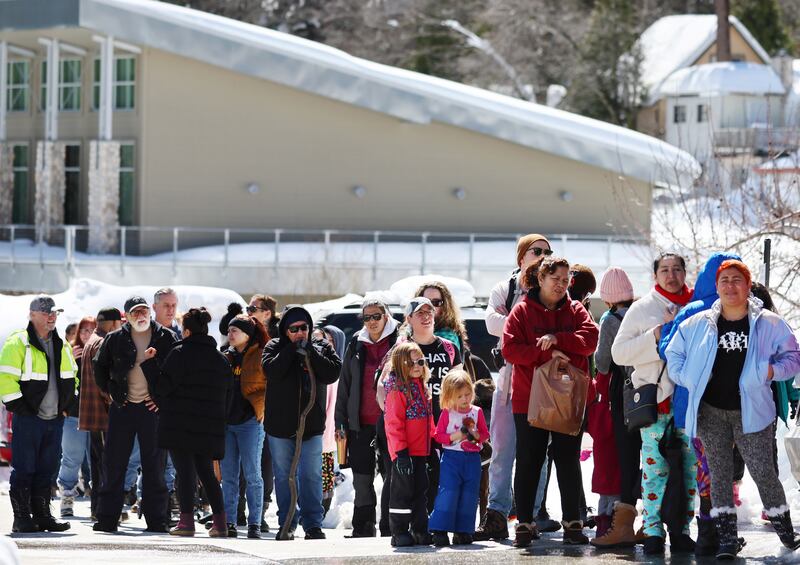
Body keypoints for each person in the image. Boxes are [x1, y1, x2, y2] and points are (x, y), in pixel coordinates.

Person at [666, 260, 800, 558]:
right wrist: (686, 376)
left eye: (736, 280)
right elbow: (673, 352)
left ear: (747, 285)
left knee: (764, 471)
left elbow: (793, 357)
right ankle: (727, 539)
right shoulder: (699, 323)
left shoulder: (768, 323)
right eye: (724, 280)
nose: (730, 285)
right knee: (719, 474)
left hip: (752, 412)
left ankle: (788, 535)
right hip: (711, 412)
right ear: (716, 287)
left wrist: (769, 372)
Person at [502, 256, 599, 547]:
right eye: (554, 279)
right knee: (530, 459)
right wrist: (545, 354)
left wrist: (557, 340)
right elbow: (510, 349)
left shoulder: (576, 309)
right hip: (528, 398)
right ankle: (524, 523)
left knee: (568, 459)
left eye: (565, 279)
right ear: (540, 280)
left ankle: (572, 523)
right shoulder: (521, 311)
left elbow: (590, 339)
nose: (560, 284)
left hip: (568, 398)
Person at [611, 253, 697, 555]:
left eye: (677, 269)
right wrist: (655, 337)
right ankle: (652, 532)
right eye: (665, 270)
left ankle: (682, 530)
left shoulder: (698, 306)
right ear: (655, 275)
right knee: (654, 471)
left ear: (685, 273)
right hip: (655, 401)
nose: (671, 275)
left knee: (689, 472)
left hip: (690, 403)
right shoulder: (642, 308)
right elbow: (618, 353)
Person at [655, 252, 740, 556]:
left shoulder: (690, 309)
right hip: (731, 406)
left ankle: (709, 535)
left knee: (707, 469)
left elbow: (666, 349)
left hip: (693, 406)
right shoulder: (742, 310)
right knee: (721, 469)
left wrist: (684, 374)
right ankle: (716, 533)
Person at [477, 233, 552, 541]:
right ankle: (496, 513)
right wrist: (522, 321)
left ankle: (531, 514)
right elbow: (490, 322)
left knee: (538, 452)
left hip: (544, 379)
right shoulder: (506, 289)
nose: (543, 255)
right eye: (537, 251)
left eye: (548, 251)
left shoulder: (554, 289)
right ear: (522, 257)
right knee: (502, 448)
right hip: (509, 379)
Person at [92, 296, 177, 533]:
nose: (141, 315)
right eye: (135, 312)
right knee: (114, 463)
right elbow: (99, 366)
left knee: (155, 467)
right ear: (127, 316)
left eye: (143, 310)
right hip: (123, 407)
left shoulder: (166, 337)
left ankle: (157, 520)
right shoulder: (114, 338)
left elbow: (176, 373)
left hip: (152, 410)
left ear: (149, 312)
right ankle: (107, 518)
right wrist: (110, 391)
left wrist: (160, 399)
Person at [262, 305, 341, 540]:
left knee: (311, 475)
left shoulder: (322, 347)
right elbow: (271, 371)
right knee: (284, 475)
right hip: (280, 427)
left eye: (303, 328)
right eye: (294, 329)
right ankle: (287, 522)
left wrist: (310, 352)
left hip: (312, 427)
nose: (299, 333)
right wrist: (290, 351)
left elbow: (332, 373)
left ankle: (313, 524)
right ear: (285, 330)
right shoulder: (273, 347)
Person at [0, 295, 77, 533]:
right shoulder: (18, 342)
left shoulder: (61, 343)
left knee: (47, 469)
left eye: (54, 313)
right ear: (32, 315)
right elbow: (5, 379)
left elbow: (72, 377)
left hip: (54, 418)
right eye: (46, 312)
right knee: (24, 468)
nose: (52, 317)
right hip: (29, 419)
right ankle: (22, 518)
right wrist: (23, 410)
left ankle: (43, 515)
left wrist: (66, 406)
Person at [157, 308, 232, 538]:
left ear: (187, 331)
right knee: (207, 474)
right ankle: (220, 524)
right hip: (209, 426)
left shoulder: (179, 354)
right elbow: (228, 396)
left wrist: (150, 364)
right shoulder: (220, 359)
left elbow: (161, 389)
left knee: (185, 473)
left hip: (180, 424)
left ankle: (186, 522)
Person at [335, 298, 399, 538]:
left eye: (376, 316)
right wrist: (341, 423)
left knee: (391, 476)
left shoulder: (400, 341)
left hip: (391, 423)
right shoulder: (355, 344)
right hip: (360, 424)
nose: (371, 322)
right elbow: (345, 387)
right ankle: (363, 526)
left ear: (386, 316)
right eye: (367, 317)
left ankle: (390, 527)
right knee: (361, 478)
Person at [590, 267, 642, 548]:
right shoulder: (642, 313)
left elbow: (604, 362)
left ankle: (619, 524)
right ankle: (652, 522)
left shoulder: (610, 319)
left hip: (622, 395)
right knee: (650, 458)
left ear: (608, 298)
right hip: (649, 393)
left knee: (625, 458)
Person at [383, 342, 435, 547]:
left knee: (421, 491)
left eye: (420, 361)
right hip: (404, 452)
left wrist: (433, 445)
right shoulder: (397, 389)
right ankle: (399, 531)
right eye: (410, 362)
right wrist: (401, 452)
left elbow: (428, 421)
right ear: (399, 364)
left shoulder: (422, 387)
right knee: (402, 493)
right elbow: (393, 423)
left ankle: (420, 529)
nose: (416, 366)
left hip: (421, 451)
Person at [221, 314, 268, 539]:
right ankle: (229, 521)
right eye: (229, 330)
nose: (230, 334)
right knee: (228, 476)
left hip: (250, 422)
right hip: (227, 422)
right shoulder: (225, 356)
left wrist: (261, 406)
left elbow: (270, 386)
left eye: (235, 331)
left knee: (252, 474)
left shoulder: (260, 354)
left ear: (247, 335)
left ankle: (254, 524)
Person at [429, 370, 489, 547]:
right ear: (449, 396)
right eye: (460, 396)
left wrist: (476, 435)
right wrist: (456, 435)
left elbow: (484, 434)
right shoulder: (448, 412)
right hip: (451, 458)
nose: (465, 399)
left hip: (472, 458)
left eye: (468, 394)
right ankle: (439, 529)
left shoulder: (477, 412)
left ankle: (463, 530)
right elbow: (438, 436)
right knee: (449, 492)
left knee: (470, 494)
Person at [79, 308, 122, 520]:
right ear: (113, 323)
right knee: (107, 465)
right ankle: (104, 510)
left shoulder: (91, 340)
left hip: (92, 414)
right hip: (103, 414)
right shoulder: (104, 342)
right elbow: (103, 381)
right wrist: (113, 399)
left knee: (98, 465)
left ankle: (97, 508)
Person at [58, 316, 96, 518]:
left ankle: (97, 502)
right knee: (72, 458)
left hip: (97, 416)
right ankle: (67, 496)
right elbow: (56, 379)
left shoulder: (102, 349)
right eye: (84, 330)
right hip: (73, 414)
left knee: (97, 460)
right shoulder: (68, 351)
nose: (87, 334)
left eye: (91, 330)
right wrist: (70, 360)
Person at [247, 293, 279, 527]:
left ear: (267, 313)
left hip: (272, 406)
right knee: (245, 459)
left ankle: (261, 510)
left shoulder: (278, 338)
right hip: (246, 404)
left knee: (265, 459)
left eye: (253, 308)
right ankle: (238, 508)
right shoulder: (246, 332)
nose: (249, 312)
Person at [317, 325, 346, 515]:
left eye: (329, 340)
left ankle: (324, 509)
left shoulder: (342, 371)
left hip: (332, 431)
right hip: (318, 430)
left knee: (326, 471)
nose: (325, 344)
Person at [415, 282, 468, 353]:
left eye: (436, 302)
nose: (430, 306)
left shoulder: (447, 337)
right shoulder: (407, 331)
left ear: (445, 307)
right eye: (424, 302)